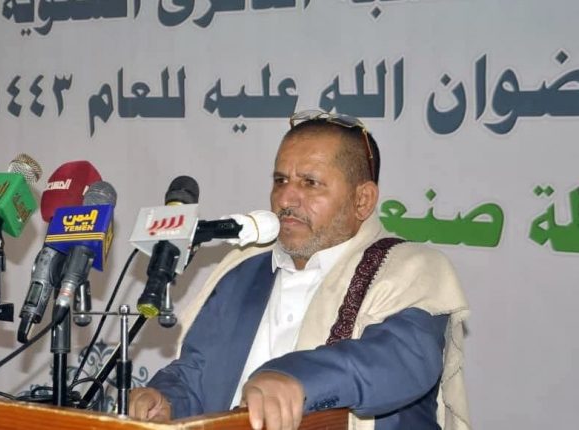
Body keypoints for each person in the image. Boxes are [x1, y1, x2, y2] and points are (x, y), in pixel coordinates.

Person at [128, 110, 470, 430]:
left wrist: (295, 377)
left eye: (310, 182)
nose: (286, 199)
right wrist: (166, 399)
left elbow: (399, 360)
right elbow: (197, 373)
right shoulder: (243, 269)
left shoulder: (410, 269)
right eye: (280, 180)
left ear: (362, 200)